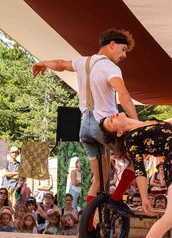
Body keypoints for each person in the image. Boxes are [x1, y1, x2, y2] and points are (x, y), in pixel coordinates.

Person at [32, 28, 138, 215]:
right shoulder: (111, 68)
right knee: (135, 160)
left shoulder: (82, 62)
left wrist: (43, 63)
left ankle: (87, 228)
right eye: (123, 50)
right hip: (104, 126)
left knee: (98, 180)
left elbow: (60, 64)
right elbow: (123, 94)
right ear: (112, 44)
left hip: (85, 128)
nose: (124, 55)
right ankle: (117, 198)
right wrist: (135, 124)